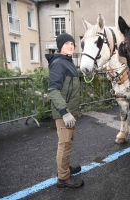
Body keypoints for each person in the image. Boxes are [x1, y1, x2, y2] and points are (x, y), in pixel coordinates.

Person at [45, 33, 84, 188]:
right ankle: (63, 178)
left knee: (69, 142)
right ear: (60, 46)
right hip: (64, 113)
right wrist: (64, 112)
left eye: (72, 43)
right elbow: (53, 90)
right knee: (64, 144)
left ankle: (65, 168)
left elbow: (71, 82)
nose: (71, 45)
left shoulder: (68, 61)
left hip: (70, 112)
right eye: (67, 43)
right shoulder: (59, 63)